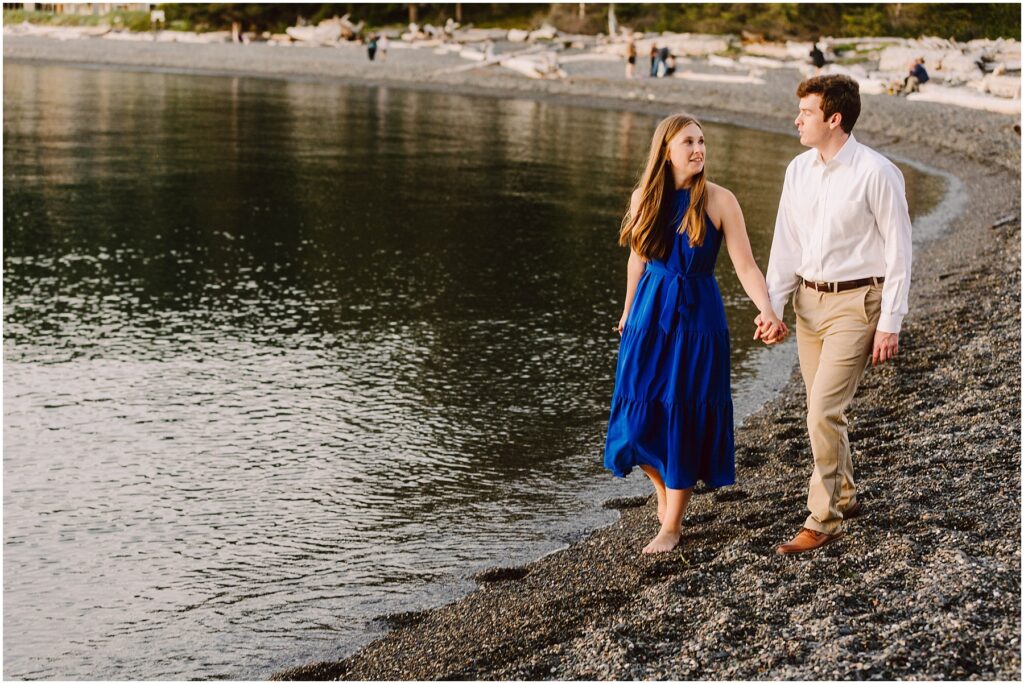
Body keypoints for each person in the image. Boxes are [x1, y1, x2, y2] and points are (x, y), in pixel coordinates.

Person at [605, 113, 787, 555]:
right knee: (637, 417)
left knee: (683, 410)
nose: (698, 149)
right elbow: (637, 261)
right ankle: (665, 498)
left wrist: (766, 309)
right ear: (666, 150)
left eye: (702, 141)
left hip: (698, 321)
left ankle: (672, 525)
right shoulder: (644, 197)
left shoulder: (721, 200)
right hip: (649, 314)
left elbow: (745, 265)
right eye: (688, 141)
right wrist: (628, 312)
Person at [758, 75, 912, 555]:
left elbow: (900, 252)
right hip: (808, 304)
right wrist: (773, 305)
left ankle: (823, 519)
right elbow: (787, 242)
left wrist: (891, 321)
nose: (797, 119)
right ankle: (845, 493)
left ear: (834, 119)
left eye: (806, 112)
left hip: (857, 304)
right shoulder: (798, 170)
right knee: (823, 411)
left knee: (822, 409)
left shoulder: (877, 172)